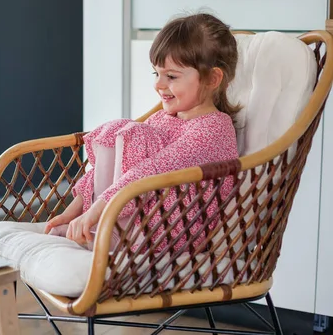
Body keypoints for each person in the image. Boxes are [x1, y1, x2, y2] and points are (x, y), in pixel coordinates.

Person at [44, 13, 241, 253]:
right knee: (119, 130)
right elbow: (114, 169)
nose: (158, 84)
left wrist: (97, 212)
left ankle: (113, 232)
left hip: (179, 231)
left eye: (171, 76)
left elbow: (151, 171)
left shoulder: (213, 128)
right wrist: (72, 213)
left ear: (212, 78)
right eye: (156, 74)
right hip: (142, 216)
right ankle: (107, 229)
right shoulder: (163, 118)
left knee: (134, 135)